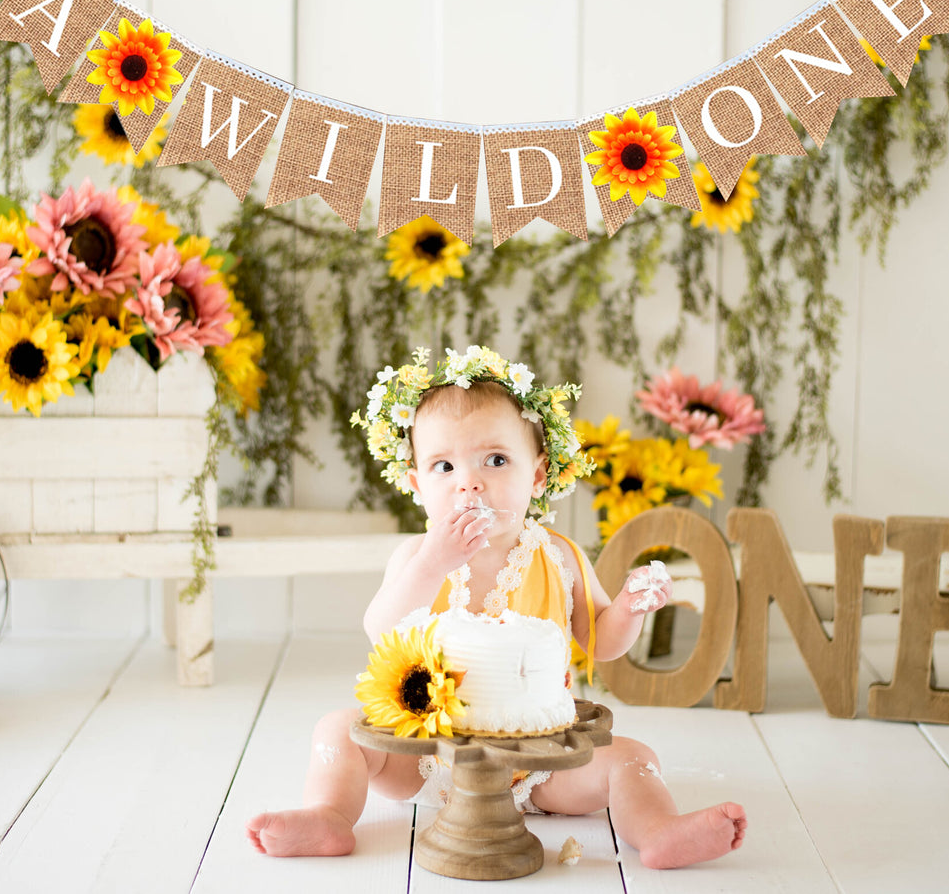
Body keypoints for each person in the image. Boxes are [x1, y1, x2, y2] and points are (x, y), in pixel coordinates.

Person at [245, 346, 746, 869]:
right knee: (336, 730)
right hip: (426, 753)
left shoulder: (561, 556)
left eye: (496, 460)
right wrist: (432, 563)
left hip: (542, 758)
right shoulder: (417, 557)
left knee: (635, 759)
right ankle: (328, 815)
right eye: (444, 466)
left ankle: (658, 829)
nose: (470, 482)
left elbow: (603, 641)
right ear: (418, 486)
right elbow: (381, 629)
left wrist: (629, 607)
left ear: (537, 475)